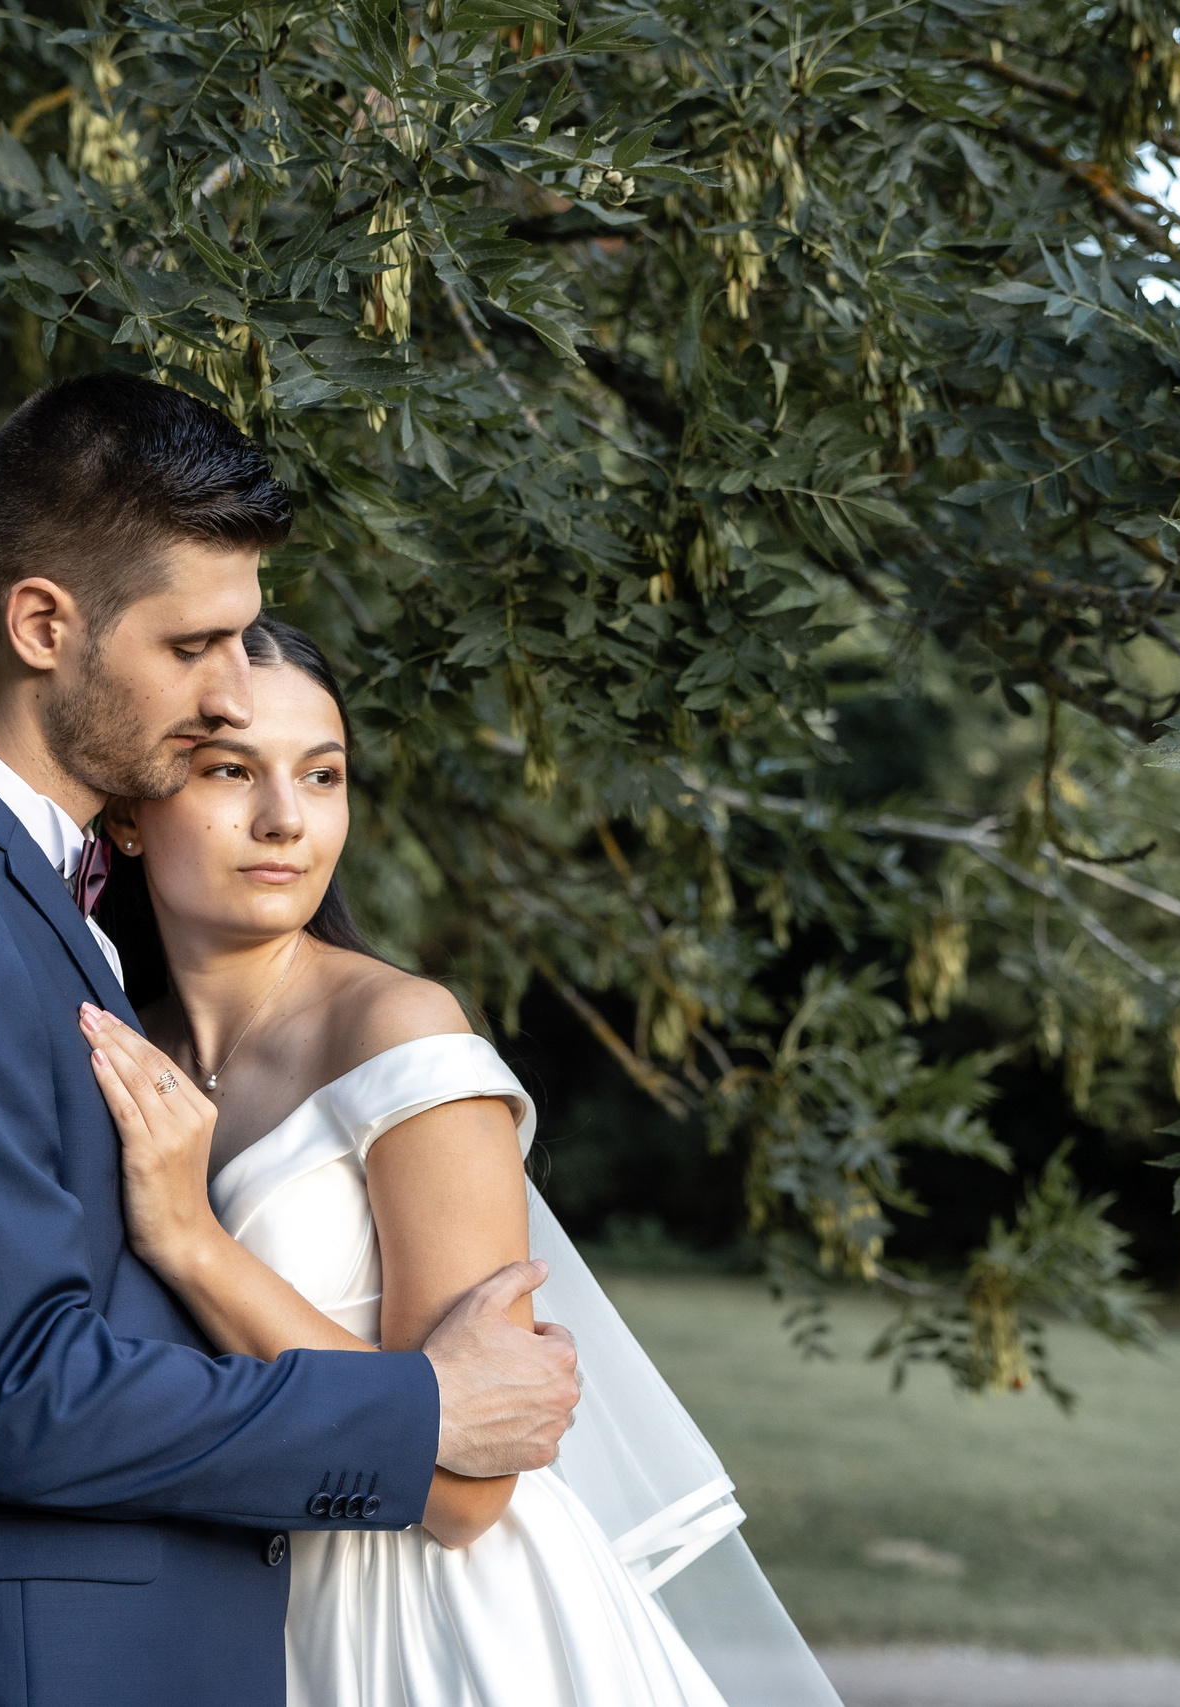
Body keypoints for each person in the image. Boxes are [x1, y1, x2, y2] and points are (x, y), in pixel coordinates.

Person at [0, 374, 579, 1707]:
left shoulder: (22, 899)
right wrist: (424, 1409)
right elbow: (15, 1390)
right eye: (195, 648)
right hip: (16, 1665)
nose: (235, 696)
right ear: (44, 622)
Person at [73, 615, 844, 1707]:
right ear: (134, 813)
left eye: (323, 775)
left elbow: (470, 1495)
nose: (285, 819)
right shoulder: (116, 1048)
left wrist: (193, 1244)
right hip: (218, 1609)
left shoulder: (401, 1036)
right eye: (229, 770)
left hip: (434, 1627)